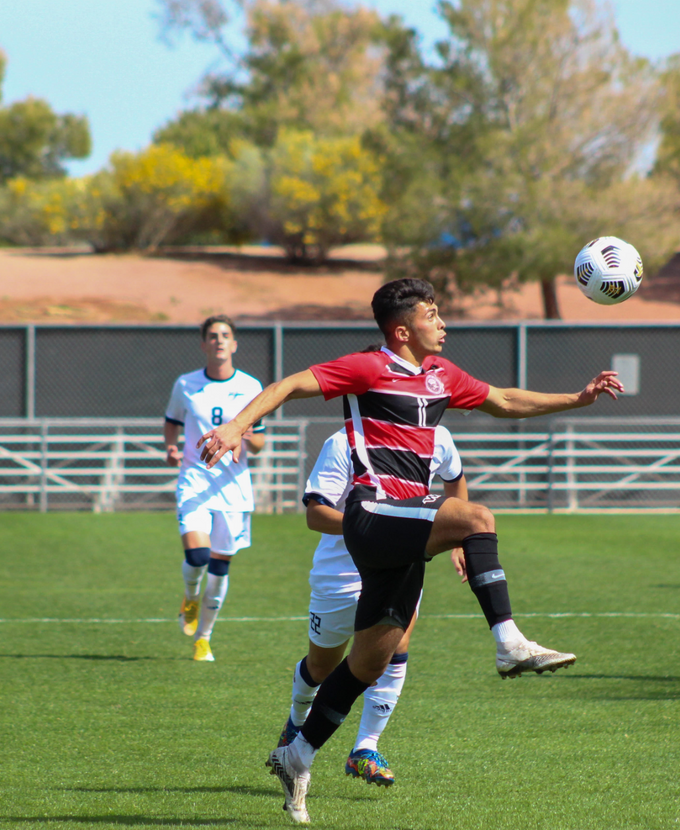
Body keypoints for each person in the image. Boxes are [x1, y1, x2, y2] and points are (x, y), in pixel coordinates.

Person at [197, 277, 623, 824]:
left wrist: (578, 398)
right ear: (402, 331)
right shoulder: (368, 366)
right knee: (478, 516)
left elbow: (506, 400)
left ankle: (297, 754)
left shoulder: (442, 375)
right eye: (432, 313)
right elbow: (287, 385)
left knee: (369, 662)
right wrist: (237, 425)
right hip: (371, 515)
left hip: (403, 531)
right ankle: (509, 643)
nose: (442, 322)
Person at [273, 424, 467, 788]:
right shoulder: (342, 441)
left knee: (395, 649)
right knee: (321, 667)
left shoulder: (437, 435)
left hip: (400, 568)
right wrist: (374, 528)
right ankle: (296, 721)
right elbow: (315, 514)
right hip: (339, 575)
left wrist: (458, 537)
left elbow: (455, 479)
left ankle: (365, 748)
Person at [164, 314, 266, 662]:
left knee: (221, 567)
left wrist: (249, 440)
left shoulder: (252, 387)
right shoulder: (186, 384)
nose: (219, 341)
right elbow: (172, 422)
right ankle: (190, 596)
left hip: (233, 487)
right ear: (204, 344)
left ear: (234, 344)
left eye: (225, 335)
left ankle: (203, 639)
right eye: (212, 335)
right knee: (198, 557)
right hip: (195, 478)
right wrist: (171, 446)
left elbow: (261, 441)